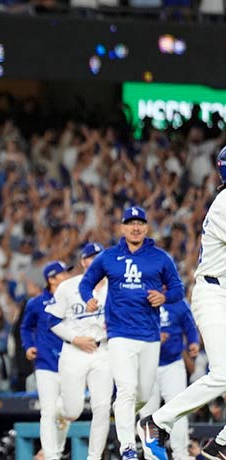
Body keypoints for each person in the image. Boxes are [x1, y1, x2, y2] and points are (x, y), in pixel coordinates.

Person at [137, 150, 226, 460]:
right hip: (213, 294)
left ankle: (222, 444)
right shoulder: (225, 203)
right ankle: (156, 422)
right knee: (224, 373)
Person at [79, 206, 184, 460]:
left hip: (149, 334)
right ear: (122, 228)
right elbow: (86, 282)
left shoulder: (160, 257)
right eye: (130, 223)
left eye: (140, 223)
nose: (135, 227)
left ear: (146, 227)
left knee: (144, 395)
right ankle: (127, 447)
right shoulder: (108, 257)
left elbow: (178, 290)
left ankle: (130, 417)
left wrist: (164, 296)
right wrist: (88, 299)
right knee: (127, 389)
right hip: (119, 334)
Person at [46, 242, 112, 460]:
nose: (95, 261)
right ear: (83, 262)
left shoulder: (115, 286)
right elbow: (52, 321)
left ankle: (93, 457)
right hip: (74, 351)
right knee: (72, 411)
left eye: (99, 257)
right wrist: (76, 339)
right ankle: (60, 409)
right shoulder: (68, 286)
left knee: (102, 407)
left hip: (103, 351)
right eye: (91, 257)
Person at [20, 260, 72, 460]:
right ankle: (51, 455)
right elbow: (25, 327)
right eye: (63, 273)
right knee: (48, 411)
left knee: (66, 410)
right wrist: (28, 346)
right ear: (51, 279)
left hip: (69, 362)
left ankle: (56, 450)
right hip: (45, 363)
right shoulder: (36, 302)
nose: (67, 276)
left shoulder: (72, 299)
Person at [138, 298, 199, 460]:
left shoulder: (177, 300)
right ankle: (150, 455)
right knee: (147, 412)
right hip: (146, 363)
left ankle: (181, 454)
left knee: (178, 409)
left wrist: (193, 342)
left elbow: (190, 325)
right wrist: (153, 337)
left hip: (173, 363)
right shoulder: (141, 298)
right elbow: (132, 329)